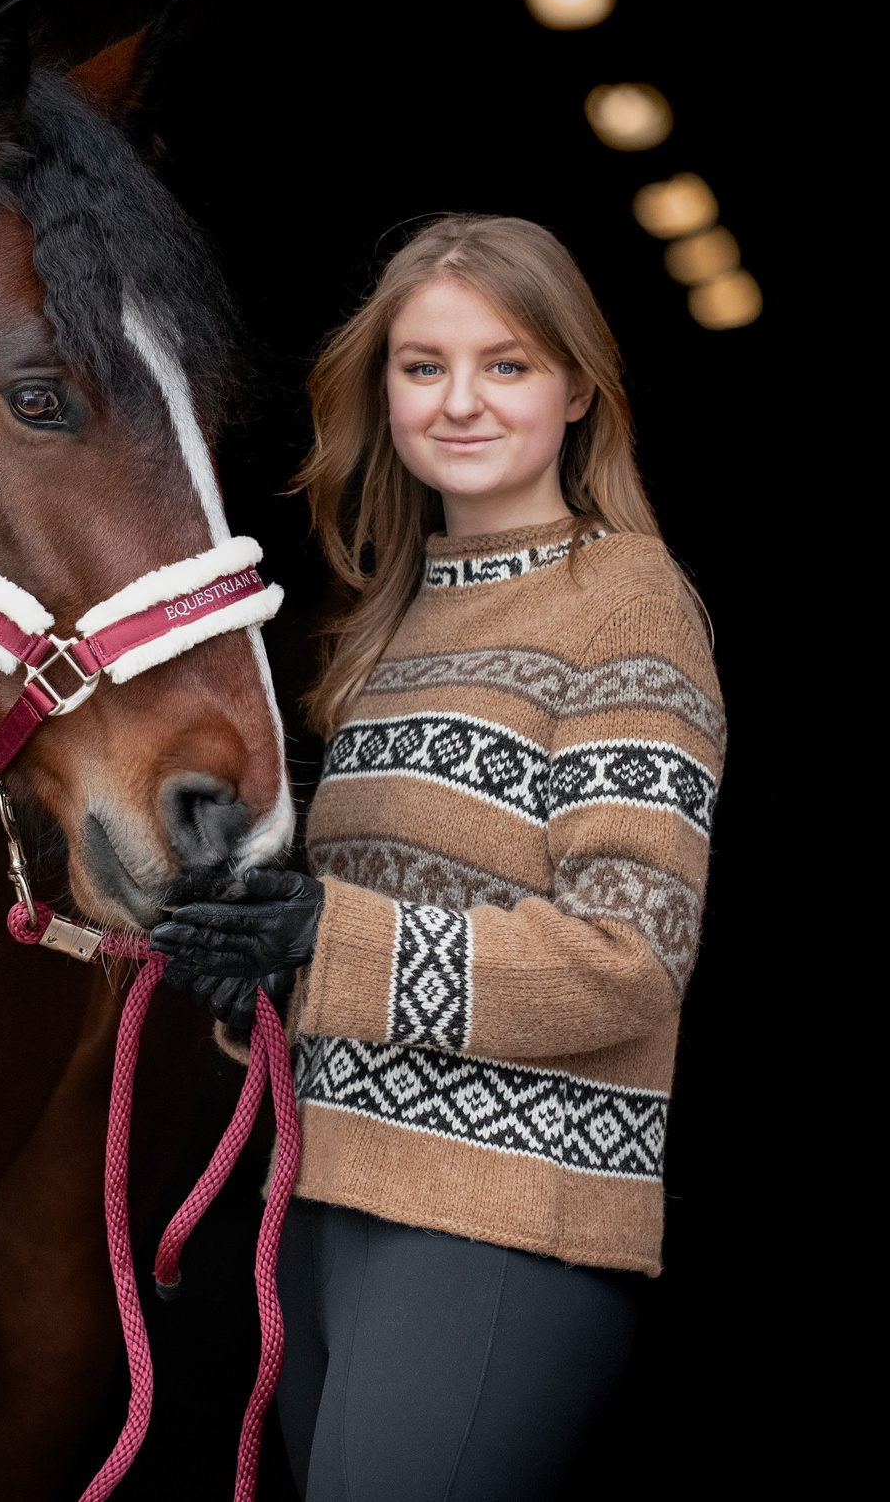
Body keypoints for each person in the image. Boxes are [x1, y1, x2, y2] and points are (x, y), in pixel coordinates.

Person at [152, 214, 725, 1500]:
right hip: (327, 1197)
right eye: (423, 366)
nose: (459, 400)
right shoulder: (394, 619)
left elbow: (631, 957)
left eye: (505, 363)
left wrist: (324, 940)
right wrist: (250, 968)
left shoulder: (626, 600)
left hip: (501, 1220)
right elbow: (361, 943)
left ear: (578, 386)